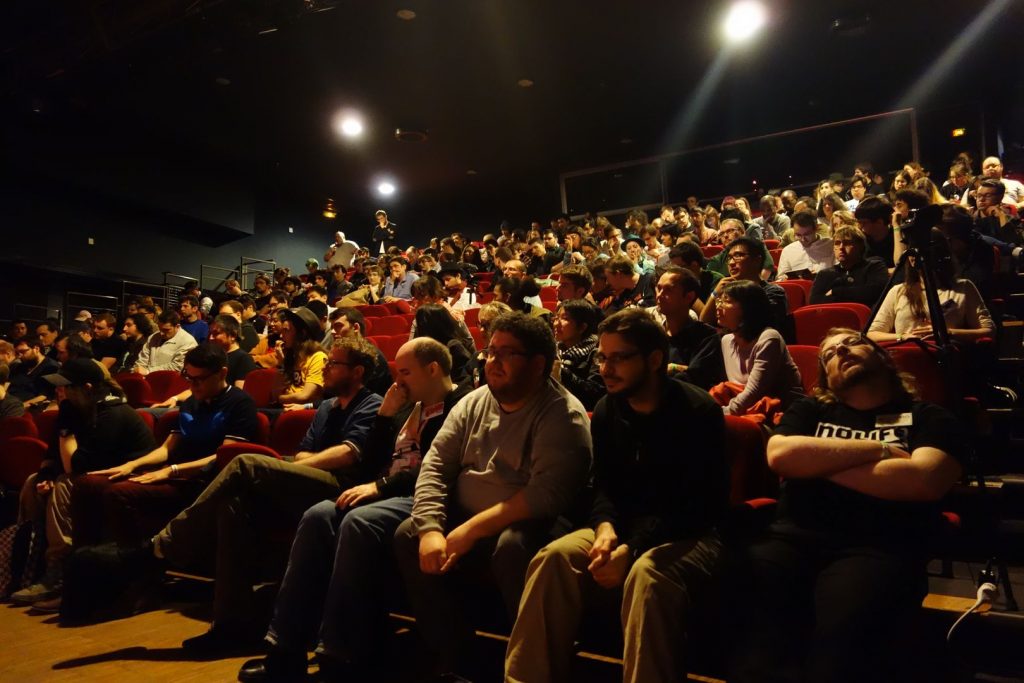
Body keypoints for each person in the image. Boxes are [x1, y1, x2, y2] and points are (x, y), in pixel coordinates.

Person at [109, 335, 384, 652]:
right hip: (311, 481)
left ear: (358, 371)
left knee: (244, 463)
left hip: (345, 488)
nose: (325, 369)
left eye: (334, 364)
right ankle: (230, 627)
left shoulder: (372, 405)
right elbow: (305, 453)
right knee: (232, 506)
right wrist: (307, 463)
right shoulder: (325, 408)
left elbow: (350, 455)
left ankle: (160, 547)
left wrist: (306, 464)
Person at [506, 308, 728, 683]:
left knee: (647, 576)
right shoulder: (610, 408)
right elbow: (604, 484)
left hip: (690, 531)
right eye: (602, 357)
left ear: (655, 360)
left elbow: (696, 504)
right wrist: (606, 526)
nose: (605, 369)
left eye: (619, 358)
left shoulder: (697, 410)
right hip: (626, 526)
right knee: (554, 558)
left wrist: (633, 548)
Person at [729, 330, 965, 683]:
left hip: (876, 546)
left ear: (882, 357)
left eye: (851, 343)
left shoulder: (928, 416)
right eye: (828, 355)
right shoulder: (811, 409)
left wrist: (819, 463)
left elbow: (924, 480)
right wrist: (882, 452)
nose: (840, 350)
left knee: (842, 643)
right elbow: (781, 456)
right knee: (754, 639)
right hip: (791, 539)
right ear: (826, 378)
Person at [237, 338, 472, 681]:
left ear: (433, 369)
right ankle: (284, 650)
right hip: (387, 491)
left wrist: (379, 487)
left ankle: (339, 655)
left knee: (359, 522)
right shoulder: (409, 405)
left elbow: (439, 469)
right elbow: (371, 464)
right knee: (318, 515)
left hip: (425, 497)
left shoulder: (461, 405)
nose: (398, 381)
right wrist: (385, 414)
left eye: (405, 372)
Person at [392, 313, 592, 677]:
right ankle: (455, 658)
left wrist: (471, 530)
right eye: (490, 351)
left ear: (538, 365)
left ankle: (532, 663)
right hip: (469, 513)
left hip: (530, 522)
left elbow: (546, 496)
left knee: (514, 547)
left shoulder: (563, 414)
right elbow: (436, 465)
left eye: (507, 354)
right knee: (409, 533)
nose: (491, 362)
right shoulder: (473, 402)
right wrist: (431, 528)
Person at [72, 344, 260, 554]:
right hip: (175, 474)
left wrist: (172, 470)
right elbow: (167, 449)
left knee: (119, 493)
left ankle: (138, 564)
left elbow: (223, 457)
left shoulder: (240, 403)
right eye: (189, 378)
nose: (193, 385)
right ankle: (81, 563)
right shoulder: (191, 402)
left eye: (199, 379)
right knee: (85, 484)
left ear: (222, 373)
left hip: (203, 482)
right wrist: (131, 465)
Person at [11, 360, 155, 609]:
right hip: (94, 475)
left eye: (66, 387)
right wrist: (45, 475)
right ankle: (29, 565)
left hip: (127, 477)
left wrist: (65, 428)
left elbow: (75, 467)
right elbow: (54, 456)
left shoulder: (114, 413)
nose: (60, 392)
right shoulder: (76, 408)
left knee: (66, 483)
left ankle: (62, 572)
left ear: (87, 387)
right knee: (31, 482)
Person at [691, 281, 803, 418]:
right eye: (719, 300)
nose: (718, 306)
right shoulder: (726, 340)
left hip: (780, 410)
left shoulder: (769, 338)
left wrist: (716, 414)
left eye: (727, 301)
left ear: (748, 308)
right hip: (744, 408)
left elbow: (755, 392)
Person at [867, 229, 994, 344]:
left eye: (920, 250)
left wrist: (948, 333)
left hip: (946, 357)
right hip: (908, 356)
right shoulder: (898, 291)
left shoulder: (963, 287)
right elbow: (872, 333)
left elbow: (988, 330)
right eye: (912, 250)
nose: (914, 256)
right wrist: (904, 336)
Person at [701, 237, 789, 334]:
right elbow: (704, 322)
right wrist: (715, 293)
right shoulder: (727, 292)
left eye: (738, 256)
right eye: (729, 258)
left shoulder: (773, 292)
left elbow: (758, 327)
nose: (731, 263)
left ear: (757, 260)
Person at [650, 267, 718, 376]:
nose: (659, 295)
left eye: (668, 290)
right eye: (658, 288)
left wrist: (670, 368)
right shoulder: (653, 334)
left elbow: (697, 376)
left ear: (689, 296)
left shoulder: (706, 337)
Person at [809, 225, 890, 307]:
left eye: (847, 243)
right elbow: (815, 302)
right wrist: (854, 294)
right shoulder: (825, 274)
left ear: (860, 246)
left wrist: (837, 292)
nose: (841, 247)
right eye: (837, 243)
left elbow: (875, 292)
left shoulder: (874, 266)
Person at [551, 298, 605, 409]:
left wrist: (562, 372)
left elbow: (595, 394)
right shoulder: (553, 349)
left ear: (582, 327)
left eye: (564, 318)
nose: (556, 324)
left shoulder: (596, 352)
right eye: (556, 318)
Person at [276, 307, 328, 410]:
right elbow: (276, 389)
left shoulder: (318, 357)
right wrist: (281, 363)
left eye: (286, 331)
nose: (281, 336)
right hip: (286, 406)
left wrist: (279, 399)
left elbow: (305, 396)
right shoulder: (292, 356)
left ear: (302, 333)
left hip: (303, 411)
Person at [412, 304, 476, 385]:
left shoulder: (454, 347)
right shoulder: (428, 349)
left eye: (420, 325)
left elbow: (464, 382)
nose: (418, 329)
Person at [133, 311, 199, 375]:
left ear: (177, 326)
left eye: (166, 330)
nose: (161, 333)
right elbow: (143, 359)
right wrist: (138, 371)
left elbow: (177, 367)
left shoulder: (188, 342)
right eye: (160, 329)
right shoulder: (153, 337)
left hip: (171, 382)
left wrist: (148, 371)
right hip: (148, 379)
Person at [775, 210, 835, 280]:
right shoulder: (788, 251)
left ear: (816, 228)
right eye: (798, 235)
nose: (803, 239)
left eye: (807, 234)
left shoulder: (830, 245)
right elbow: (780, 278)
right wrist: (785, 278)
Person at [9, 335, 61, 407]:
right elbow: (7, 385)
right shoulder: (20, 366)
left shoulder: (52, 368)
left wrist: (19, 408)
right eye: (17, 353)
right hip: (9, 405)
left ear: (36, 349)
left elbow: (45, 396)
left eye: (23, 351)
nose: (19, 356)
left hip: (27, 409)